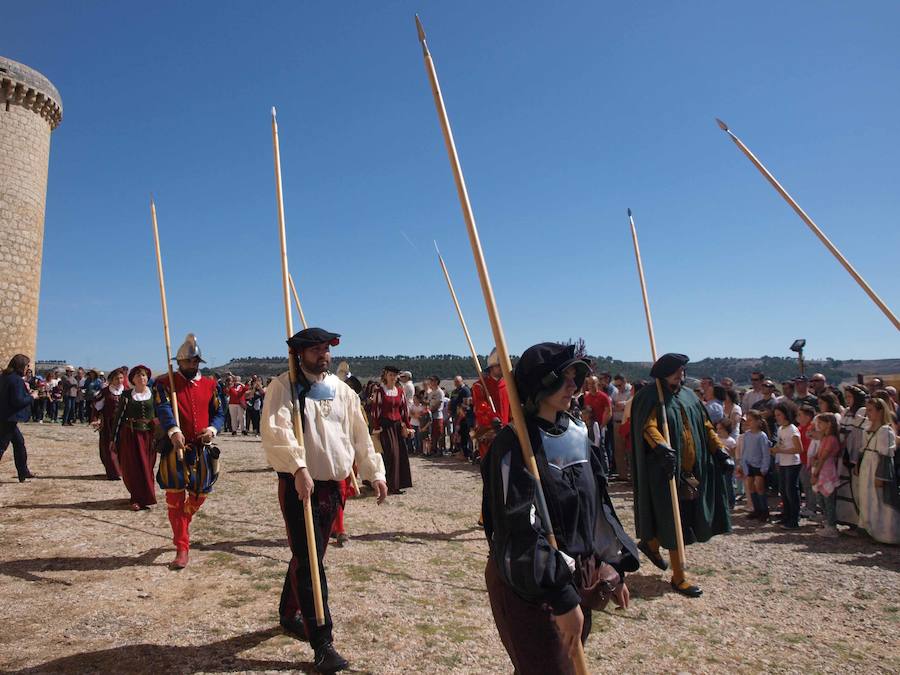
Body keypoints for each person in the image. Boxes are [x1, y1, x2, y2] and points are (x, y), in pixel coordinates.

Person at [482, 342, 638, 675]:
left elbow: (597, 507)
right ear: (538, 385)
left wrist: (612, 564)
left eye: (575, 378)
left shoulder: (578, 433)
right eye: (562, 379)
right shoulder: (514, 443)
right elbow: (518, 528)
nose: (572, 386)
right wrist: (561, 596)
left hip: (573, 579)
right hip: (531, 584)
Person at [261, 327, 387, 674]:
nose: (323, 355)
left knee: (310, 555)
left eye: (326, 349)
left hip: (333, 488)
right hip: (300, 484)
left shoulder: (343, 391)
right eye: (316, 350)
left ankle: (288, 612)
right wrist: (298, 467)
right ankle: (322, 642)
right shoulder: (283, 387)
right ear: (299, 354)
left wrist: (374, 472)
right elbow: (276, 432)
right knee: (311, 562)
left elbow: (359, 434)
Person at [629, 353, 732, 597]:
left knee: (684, 516)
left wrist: (718, 450)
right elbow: (647, 426)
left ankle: (651, 543)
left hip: (691, 470)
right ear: (663, 373)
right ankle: (679, 576)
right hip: (664, 469)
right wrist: (661, 447)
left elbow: (705, 425)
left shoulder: (689, 396)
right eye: (675, 371)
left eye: (682, 371)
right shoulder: (650, 397)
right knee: (672, 518)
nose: (680, 375)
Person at [154, 334, 226, 569]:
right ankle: (182, 547)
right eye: (188, 361)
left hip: (201, 448)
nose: (192, 364)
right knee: (175, 499)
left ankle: (183, 521)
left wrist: (212, 430)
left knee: (200, 494)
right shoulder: (165, 383)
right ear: (179, 362)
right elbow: (163, 407)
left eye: (195, 361)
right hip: (175, 447)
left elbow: (220, 412)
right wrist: (173, 430)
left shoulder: (210, 385)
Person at [110, 365, 158, 510]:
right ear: (132, 379)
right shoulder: (126, 395)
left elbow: (161, 413)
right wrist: (113, 439)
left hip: (149, 436)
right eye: (137, 375)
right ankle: (136, 498)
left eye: (143, 375)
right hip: (131, 436)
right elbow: (118, 418)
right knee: (134, 467)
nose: (141, 378)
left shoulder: (155, 394)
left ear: (147, 378)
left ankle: (147, 496)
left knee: (148, 466)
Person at [855, 397, 899, 544]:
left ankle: (884, 532)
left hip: (876, 467)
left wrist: (881, 476)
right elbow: (863, 449)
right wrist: (858, 465)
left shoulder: (885, 431)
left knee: (877, 499)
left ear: (880, 411)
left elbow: (886, 456)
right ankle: (868, 527)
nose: (867, 413)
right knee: (865, 497)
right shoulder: (867, 428)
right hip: (867, 465)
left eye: (871, 410)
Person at [370, 366, 413, 495]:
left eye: (394, 375)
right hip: (385, 426)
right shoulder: (380, 391)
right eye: (390, 375)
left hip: (397, 426)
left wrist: (408, 426)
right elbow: (375, 410)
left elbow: (404, 410)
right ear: (385, 376)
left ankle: (397, 485)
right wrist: (377, 427)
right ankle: (387, 484)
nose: (393, 377)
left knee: (400, 454)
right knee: (391, 454)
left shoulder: (400, 391)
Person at [0, 354, 37, 481]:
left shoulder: (4, 377)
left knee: (19, 443)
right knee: (2, 446)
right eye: (27, 365)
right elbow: (17, 401)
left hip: (4, 415)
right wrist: (32, 397)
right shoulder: (16, 380)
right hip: (8, 417)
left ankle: (23, 472)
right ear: (21, 366)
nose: (28, 368)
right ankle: (23, 472)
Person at [473, 349, 511, 461]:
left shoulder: (509, 384)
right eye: (499, 365)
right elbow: (480, 406)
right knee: (490, 462)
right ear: (492, 367)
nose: (502, 368)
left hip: (507, 429)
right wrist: (492, 417)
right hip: (489, 430)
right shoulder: (480, 386)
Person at [91, 368, 125, 480]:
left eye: (121, 378)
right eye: (116, 378)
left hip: (123, 424)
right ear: (111, 380)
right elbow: (97, 407)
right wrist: (95, 419)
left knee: (122, 447)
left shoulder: (127, 391)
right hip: (108, 424)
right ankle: (113, 472)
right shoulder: (105, 392)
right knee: (109, 448)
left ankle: (121, 470)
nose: (119, 380)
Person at [772, 402, 802, 529]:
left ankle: (794, 519)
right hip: (783, 463)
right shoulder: (780, 429)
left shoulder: (792, 429)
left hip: (792, 463)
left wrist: (781, 451)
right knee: (784, 491)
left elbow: (798, 449)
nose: (777, 418)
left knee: (791, 491)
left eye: (779, 415)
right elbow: (781, 444)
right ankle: (786, 515)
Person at [811, 413, 841, 537]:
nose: (818, 425)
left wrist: (815, 473)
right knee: (821, 499)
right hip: (820, 469)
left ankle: (832, 526)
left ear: (828, 424)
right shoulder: (824, 438)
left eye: (820, 423)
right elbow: (818, 454)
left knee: (828, 501)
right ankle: (827, 521)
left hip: (827, 472)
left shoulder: (831, 439)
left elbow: (823, 457)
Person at [738, 410, 771, 520]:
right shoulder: (747, 435)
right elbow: (745, 451)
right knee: (751, 487)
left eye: (750, 420)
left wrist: (764, 467)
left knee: (759, 488)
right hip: (749, 465)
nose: (748, 422)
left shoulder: (762, 436)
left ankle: (764, 511)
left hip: (759, 465)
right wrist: (743, 464)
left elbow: (765, 453)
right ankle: (756, 510)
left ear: (758, 422)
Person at [796, 405, 816, 518]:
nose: (797, 417)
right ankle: (808, 505)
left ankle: (812, 507)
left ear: (808, 417)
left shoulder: (810, 429)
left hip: (808, 462)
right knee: (805, 484)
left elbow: (809, 447)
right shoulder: (800, 428)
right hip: (801, 461)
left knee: (809, 485)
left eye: (800, 415)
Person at [426, 375, 446, 454]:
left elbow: (438, 404)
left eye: (432, 381)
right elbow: (429, 403)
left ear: (436, 382)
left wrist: (430, 411)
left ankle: (440, 450)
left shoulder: (439, 392)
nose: (430, 382)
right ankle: (433, 449)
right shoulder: (431, 392)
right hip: (431, 415)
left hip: (437, 415)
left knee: (439, 433)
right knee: (433, 434)